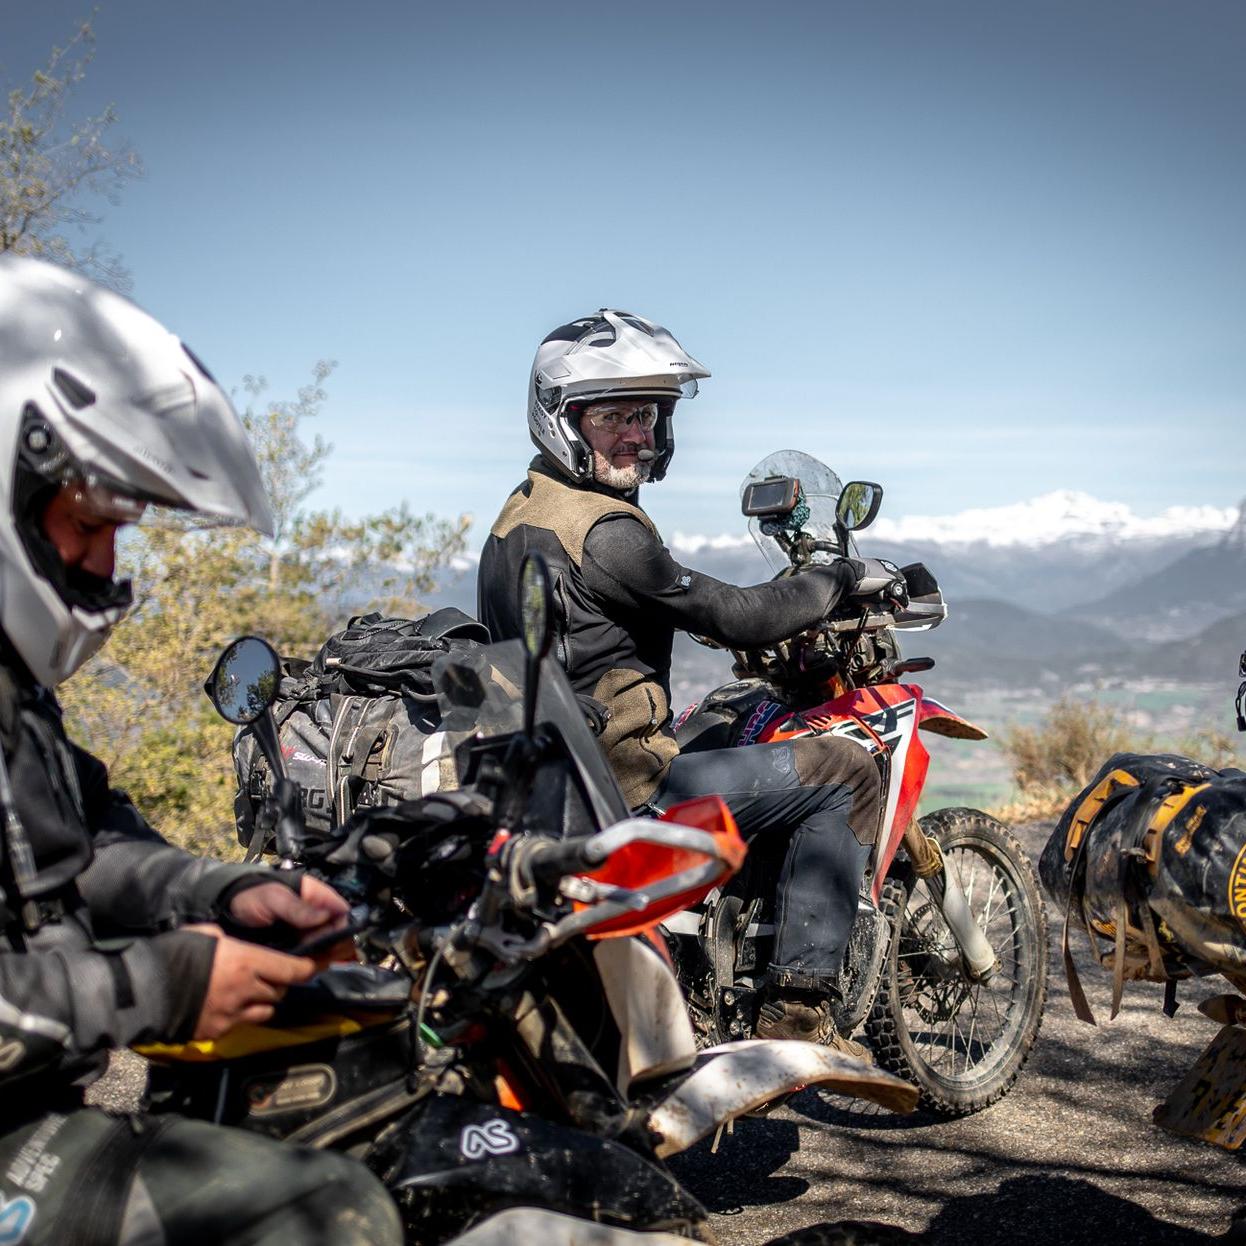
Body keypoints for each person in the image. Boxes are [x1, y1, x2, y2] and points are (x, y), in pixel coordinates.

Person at [0, 255, 402, 1246]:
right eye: (88, 522)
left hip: (38, 1096)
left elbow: (81, 849)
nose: (105, 564)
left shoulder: (14, 696)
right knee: (328, 1211)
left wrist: (219, 891)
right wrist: (163, 981)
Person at [478, 309, 899, 1051]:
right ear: (563, 420)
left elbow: (625, 619)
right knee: (844, 770)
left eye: (647, 415)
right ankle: (798, 1011)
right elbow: (736, 613)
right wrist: (832, 578)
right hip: (620, 786)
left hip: (553, 771)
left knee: (727, 717)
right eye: (613, 418)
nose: (637, 436)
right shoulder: (607, 532)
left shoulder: (523, 511)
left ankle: (720, 952)